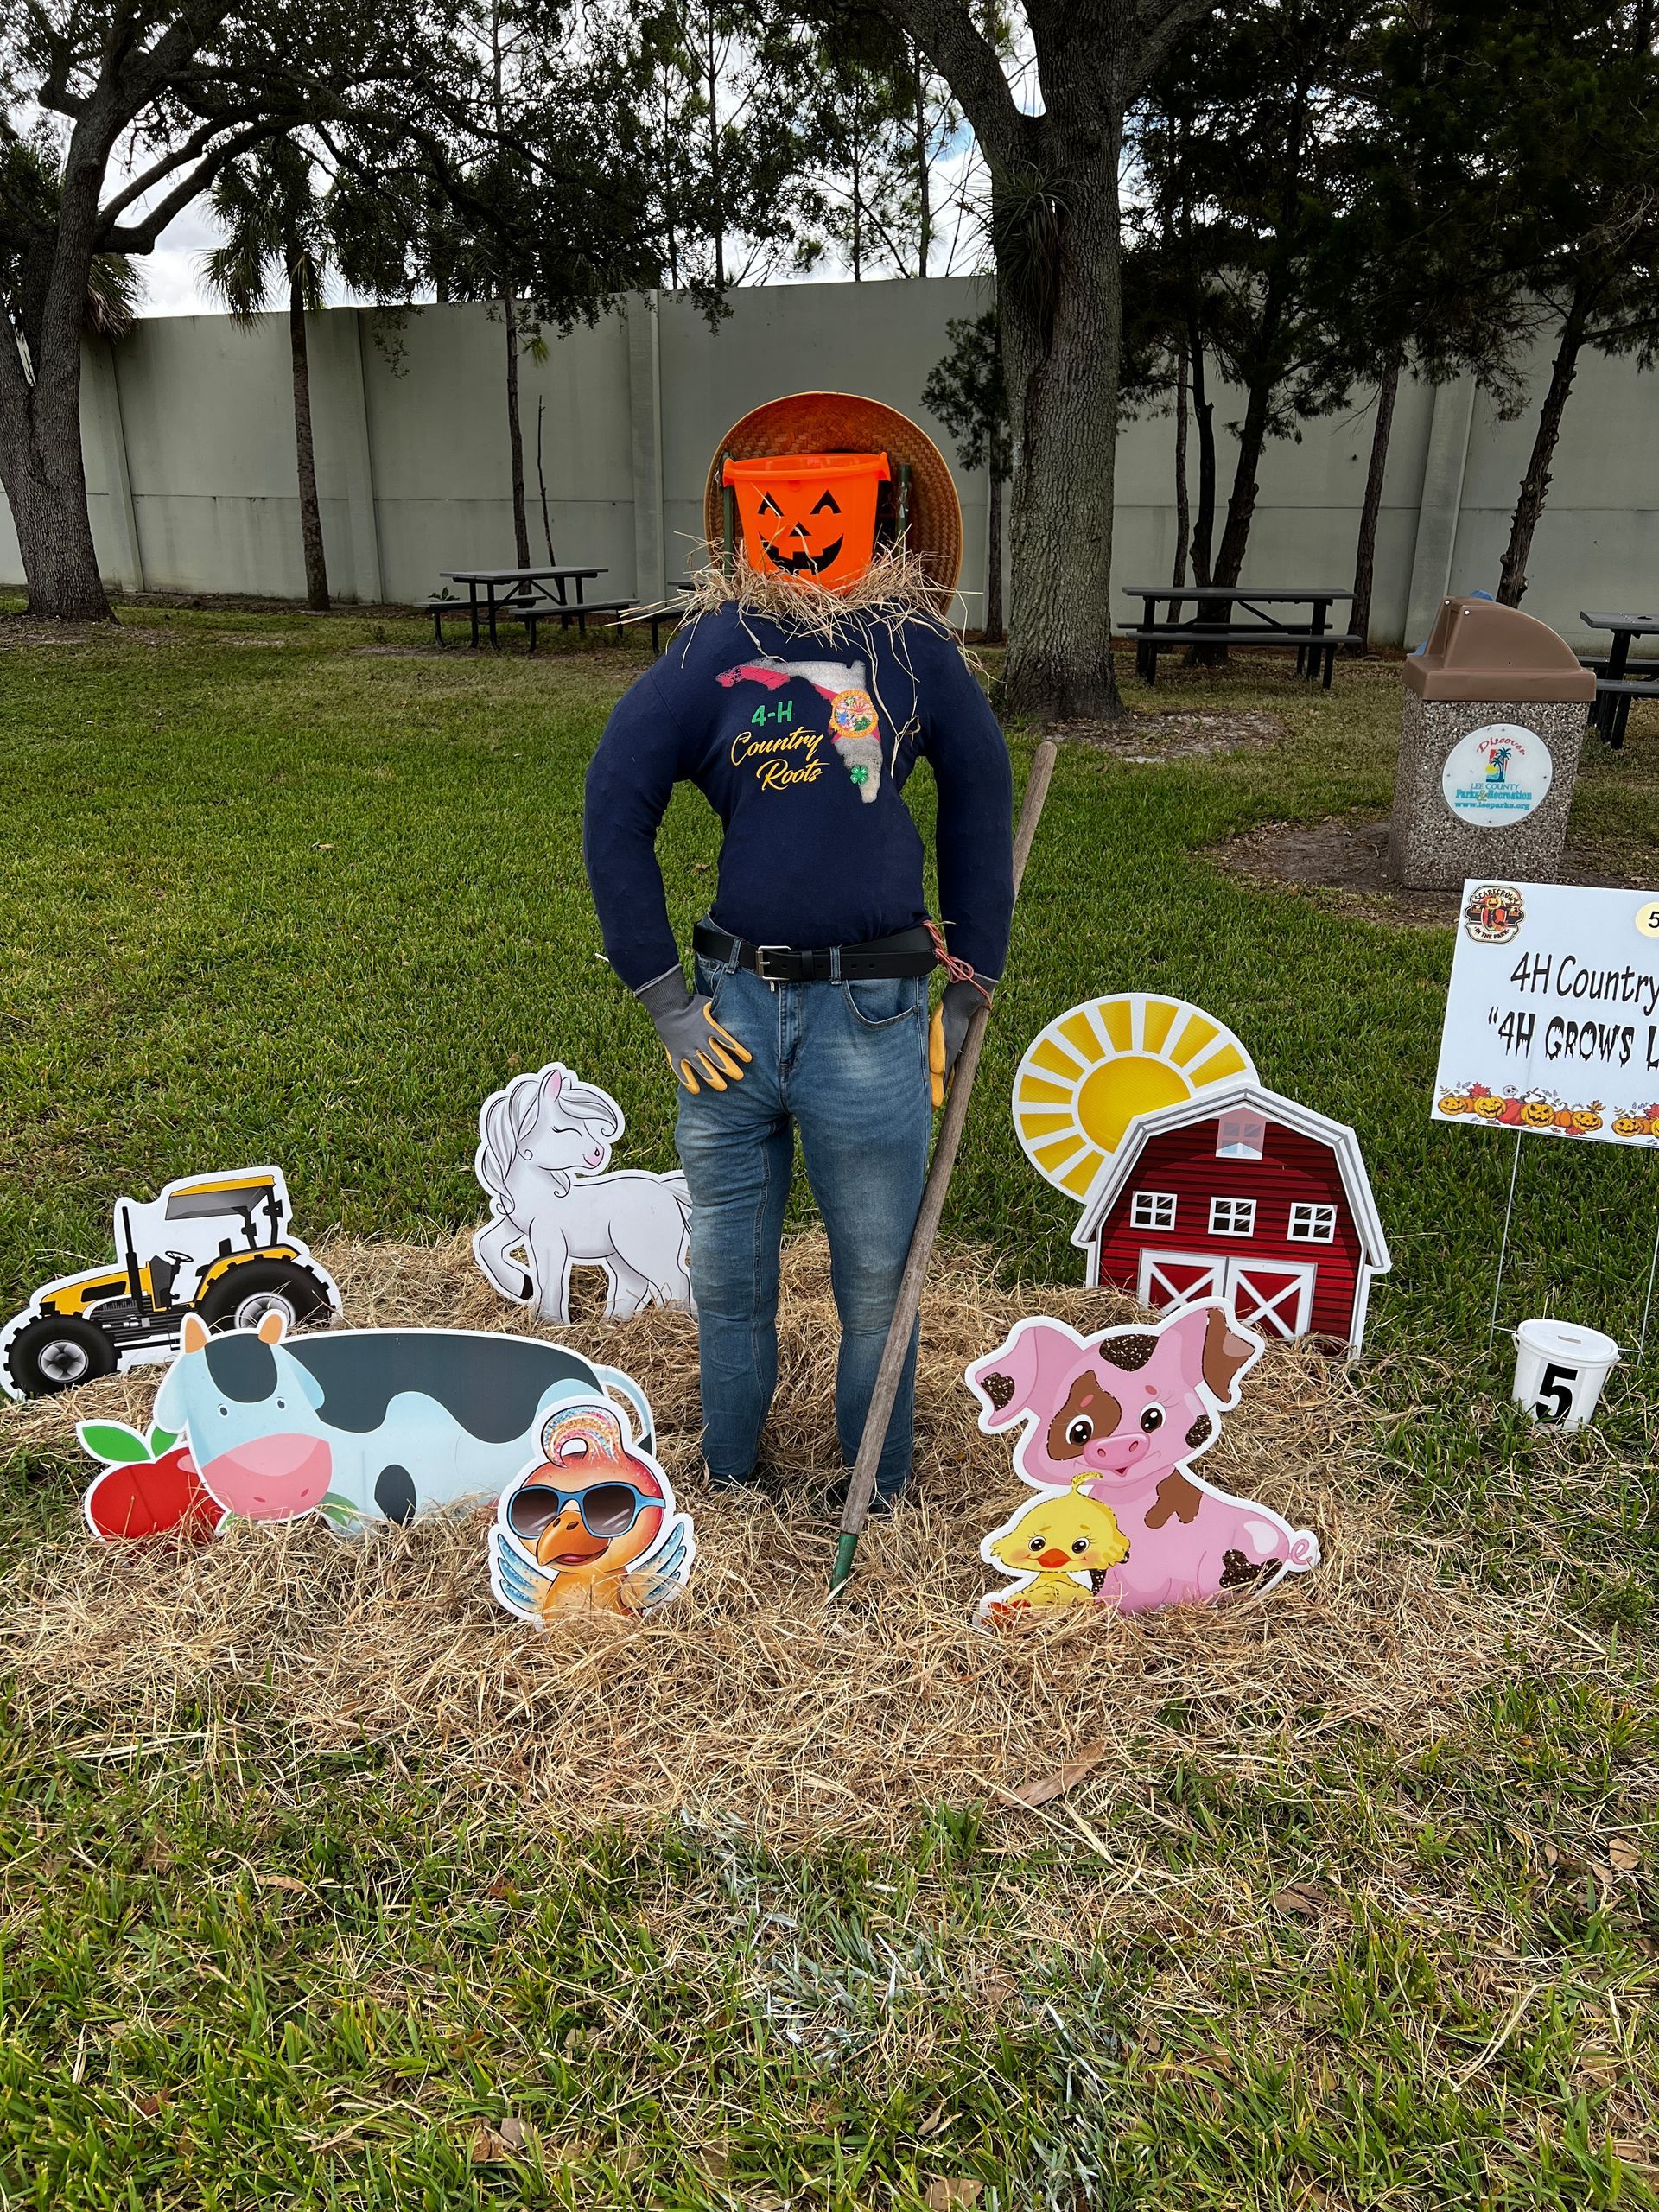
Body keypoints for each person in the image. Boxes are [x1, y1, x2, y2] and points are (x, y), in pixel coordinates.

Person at [582, 392, 1014, 1509]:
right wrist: (664, 996)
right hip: (725, 1022)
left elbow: (979, 797)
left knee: (877, 1276)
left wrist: (969, 981)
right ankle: (730, 1476)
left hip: (871, 1020)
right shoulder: (710, 650)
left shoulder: (910, 649)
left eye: (833, 503)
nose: (808, 527)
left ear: (878, 510)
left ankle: (877, 1486)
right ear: (743, 515)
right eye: (783, 503)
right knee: (729, 1277)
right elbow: (613, 802)